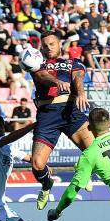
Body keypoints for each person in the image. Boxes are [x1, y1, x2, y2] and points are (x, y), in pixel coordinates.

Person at [24, 31, 94, 210]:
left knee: (94, 150)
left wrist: (81, 93)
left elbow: (78, 77)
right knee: (37, 164)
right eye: (45, 45)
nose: (48, 48)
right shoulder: (37, 63)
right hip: (47, 115)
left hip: (71, 111)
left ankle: (83, 171)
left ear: (59, 44)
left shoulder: (73, 62)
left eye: (52, 44)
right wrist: (56, 81)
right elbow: (41, 77)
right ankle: (47, 186)